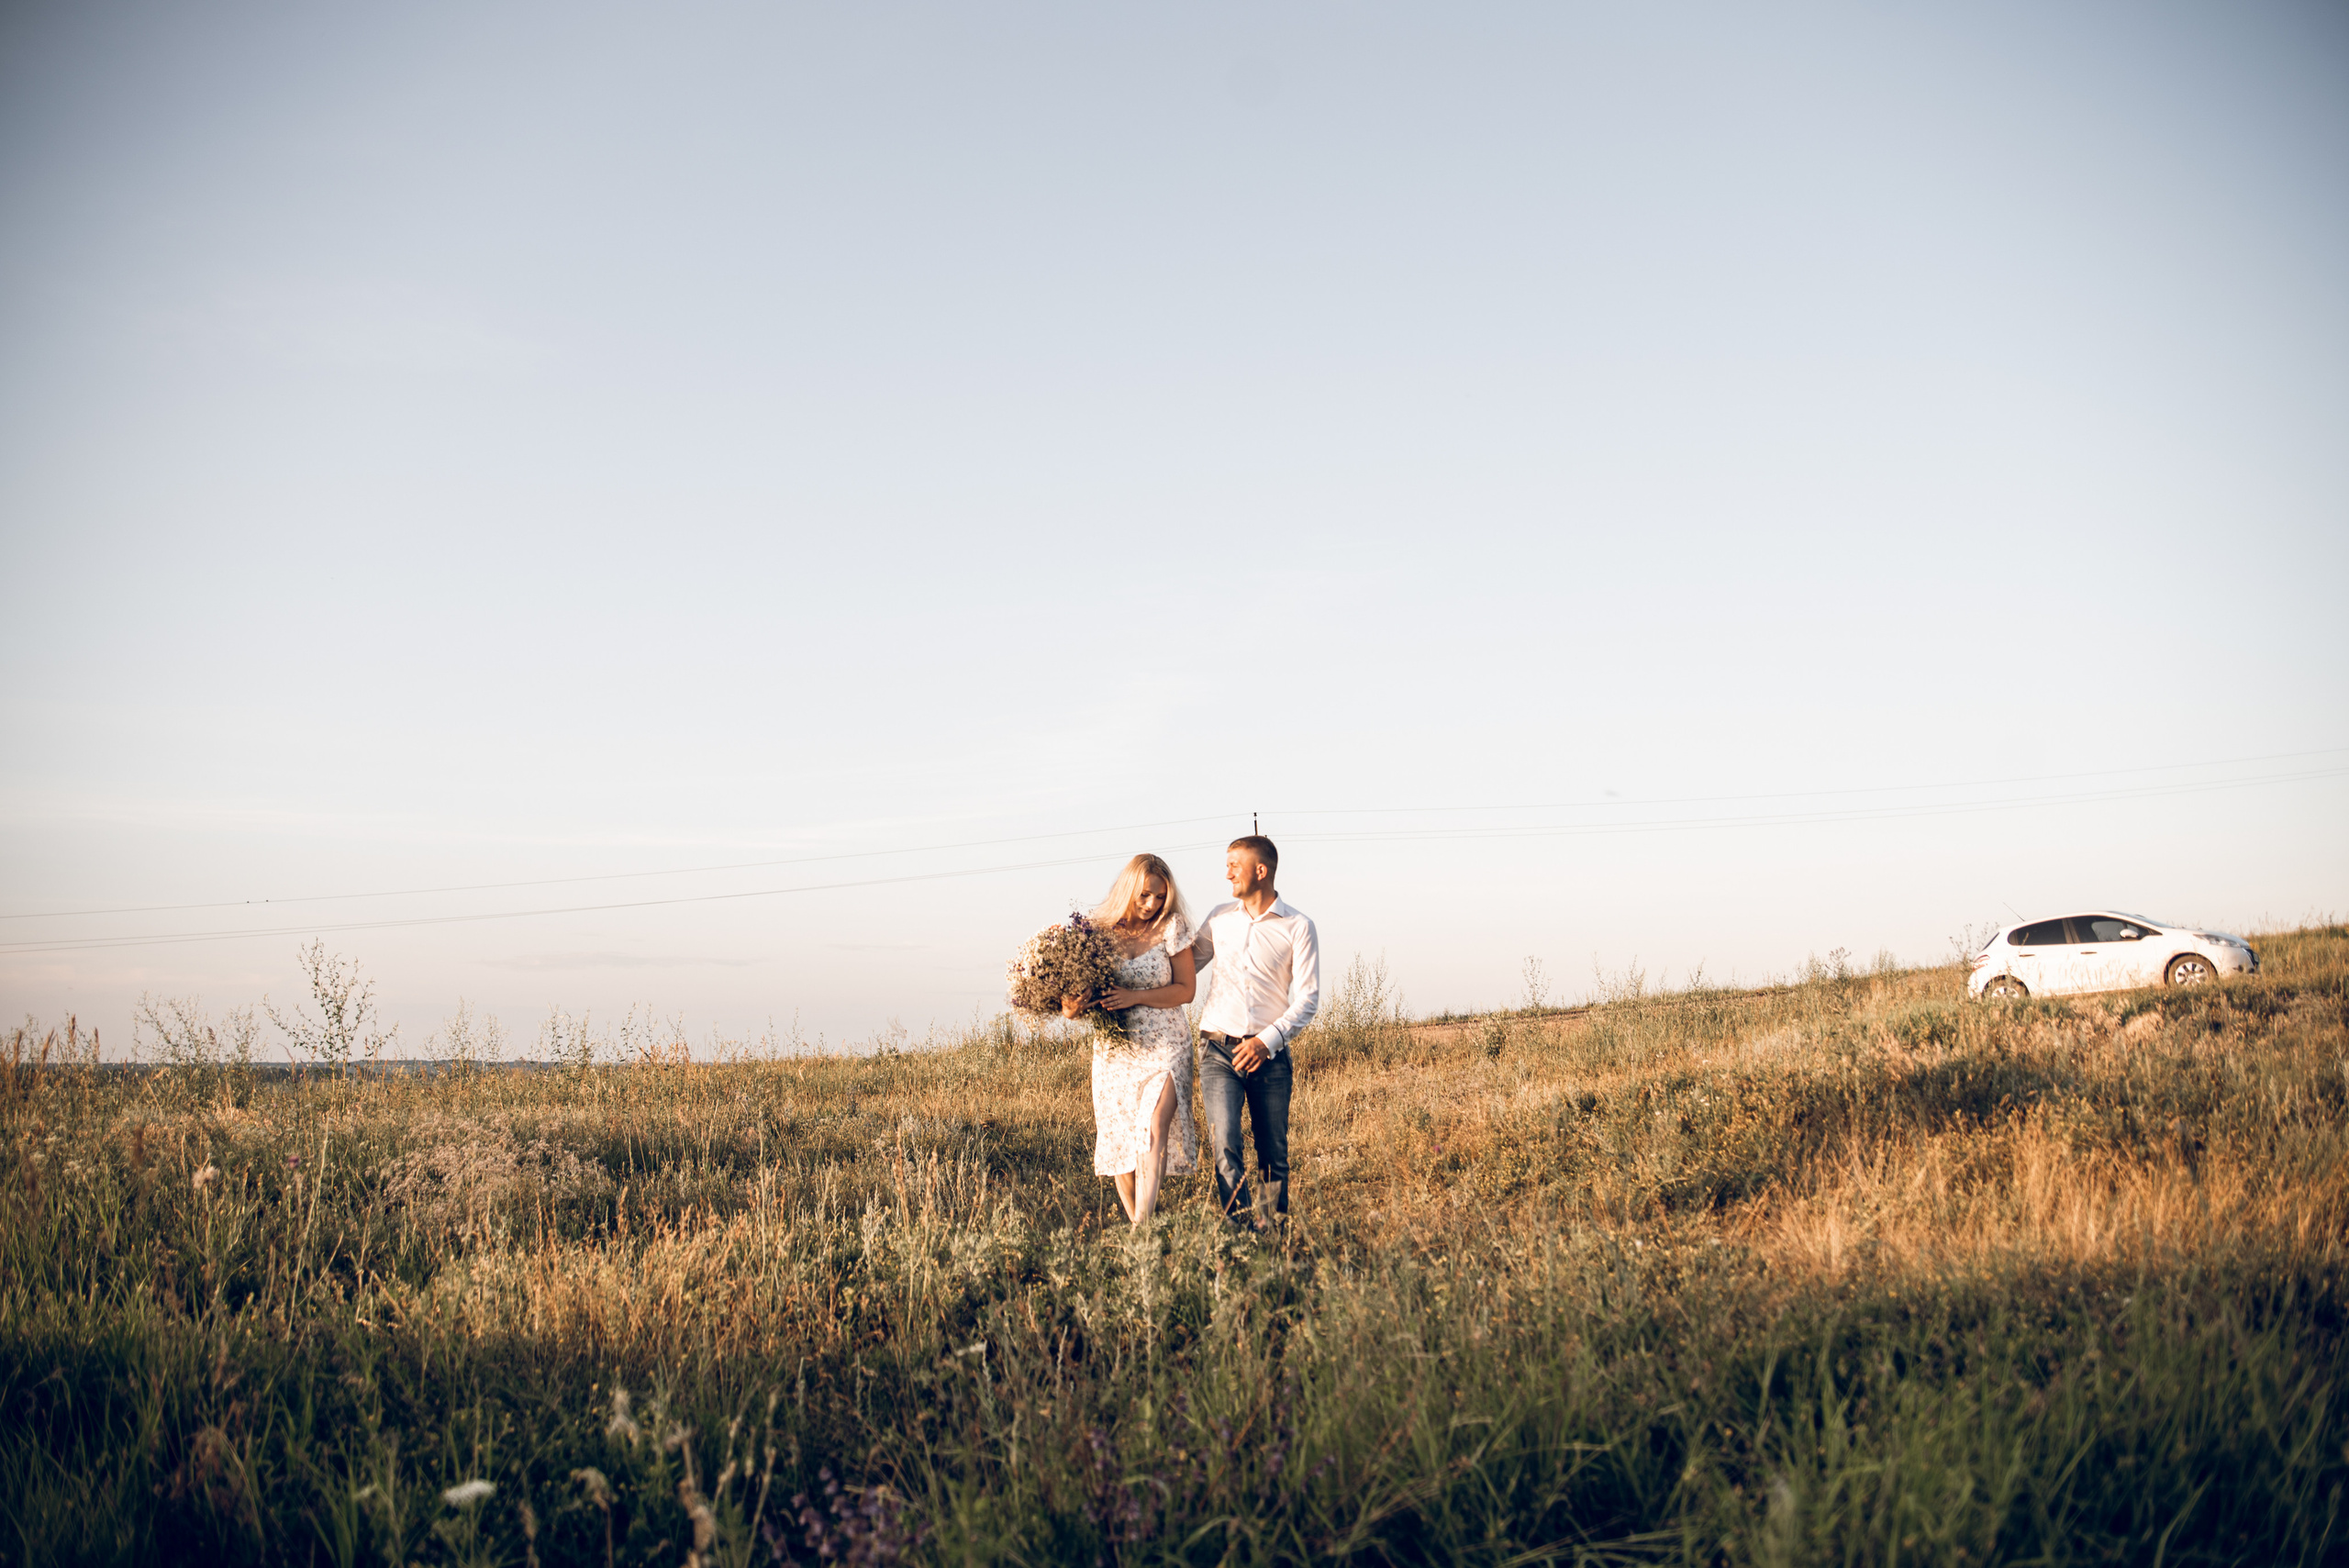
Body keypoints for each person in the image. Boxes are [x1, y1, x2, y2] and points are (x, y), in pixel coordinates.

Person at [1060, 853, 1199, 1227]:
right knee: (1120, 1134)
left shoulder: (1173, 928)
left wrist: (1135, 996)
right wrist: (1073, 1004)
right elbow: (1070, 1009)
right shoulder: (1096, 935)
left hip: (1167, 1042)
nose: (1152, 904)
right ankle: (1142, 1227)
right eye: (1145, 896)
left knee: (1154, 1125)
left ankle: (1143, 1225)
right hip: (1116, 1050)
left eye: (1159, 897)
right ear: (1127, 890)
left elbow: (1186, 990)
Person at [1191, 835, 1319, 1228]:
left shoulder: (1298, 926)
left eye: (1234, 864)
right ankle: (1238, 1234)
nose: (1226, 872)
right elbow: (1183, 969)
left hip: (1270, 1057)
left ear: (1259, 871)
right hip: (1217, 1050)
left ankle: (1270, 1232)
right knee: (1225, 1145)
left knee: (1272, 1152)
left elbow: (1308, 998)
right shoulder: (1218, 918)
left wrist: (1267, 1042)